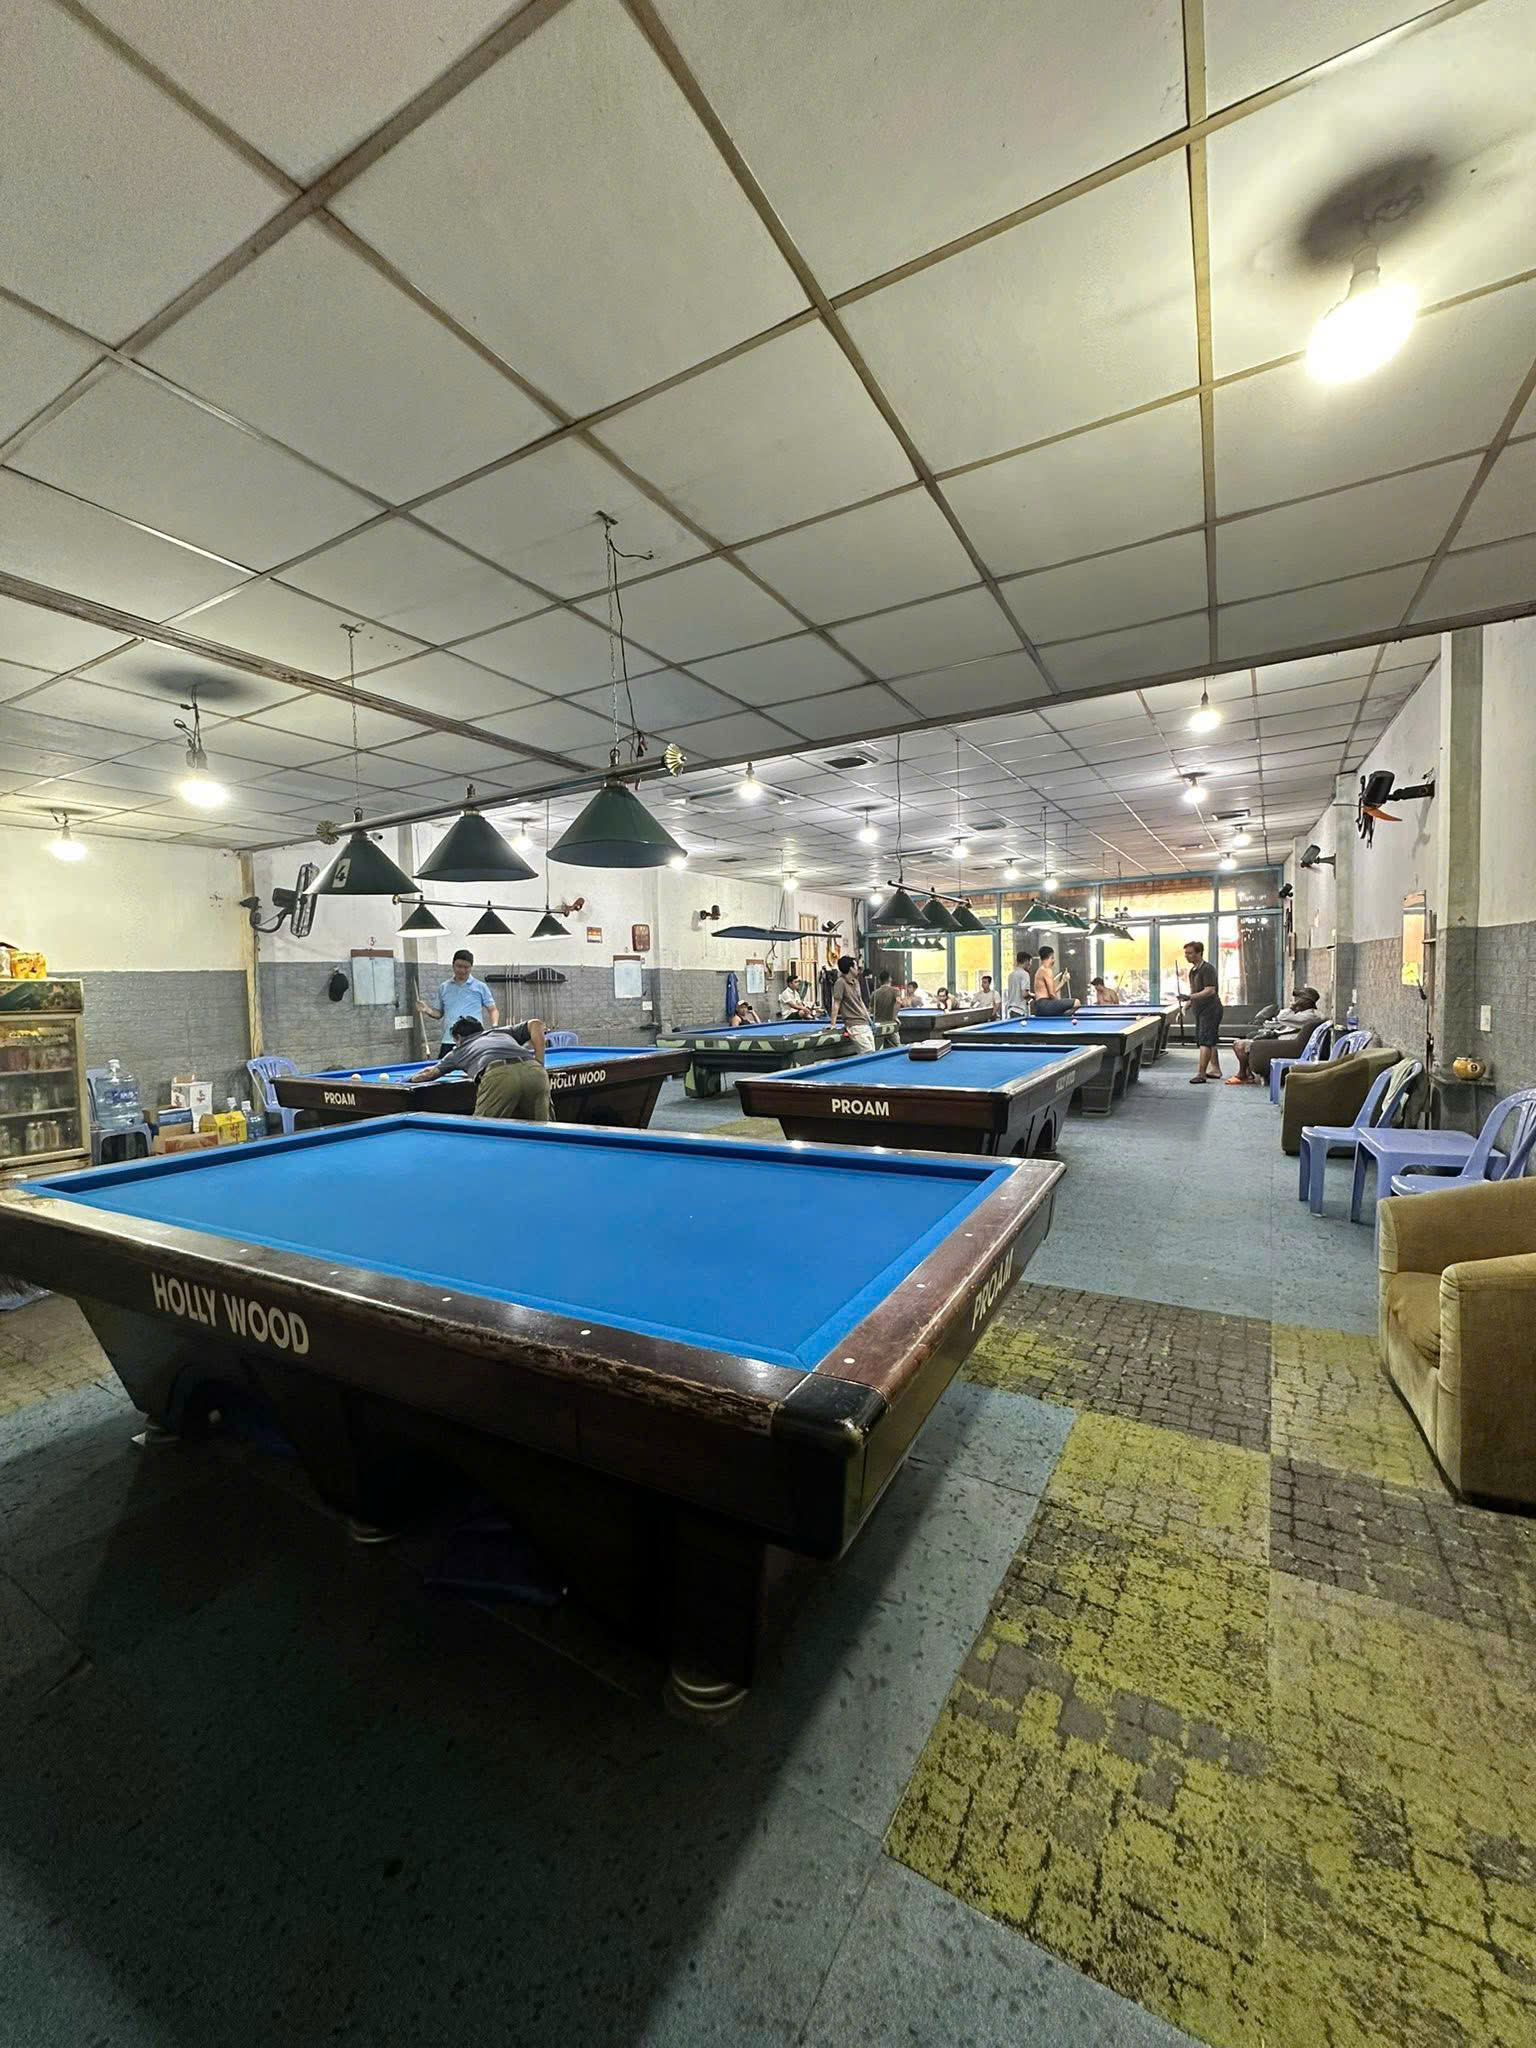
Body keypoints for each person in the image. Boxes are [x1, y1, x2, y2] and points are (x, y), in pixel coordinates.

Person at [416, 1015, 550, 1121]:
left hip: (499, 1075)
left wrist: (411, 1079)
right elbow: (536, 1023)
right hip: (535, 1071)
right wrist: (540, 1063)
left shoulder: (457, 1052)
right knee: (543, 1130)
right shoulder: (500, 1032)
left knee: (482, 1129)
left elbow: (429, 1074)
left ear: (458, 1037)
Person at [1227, 986, 1323, 1085]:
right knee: (1244, 1041)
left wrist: (1293, 1006)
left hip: (1284, 1043)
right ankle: (1248, 1074)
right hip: (1282, 1041)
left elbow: (1282, 1017)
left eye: (1299, 999)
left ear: (1306, 1002)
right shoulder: (1303, 1014)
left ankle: (1242, 1074)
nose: (1295, 1000)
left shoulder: (1308, 1016)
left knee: (1239, 1045)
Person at [418, 949, 497, 1055]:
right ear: (453, 965)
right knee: (443, 1065)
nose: (462, 970)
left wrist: (494, 1027)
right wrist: (427, 1009)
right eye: (459, 966)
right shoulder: (444, 987)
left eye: (466, 967)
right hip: (449, 1039)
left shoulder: (480, 987)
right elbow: (439, 1013)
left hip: (474, 1039)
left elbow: (492, 1010)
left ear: (471, 967)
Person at [1183, 939, 1223, 1082]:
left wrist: (1190, 997)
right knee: (1209, 1040)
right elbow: (1195, 992)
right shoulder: (1193, 971)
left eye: (1190, 953)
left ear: (1199, 953)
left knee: (1205, 1041)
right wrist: (1186, 1005)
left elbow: (1210, 990)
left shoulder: (1208, 969)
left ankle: (1201, 1074)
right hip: (1200, 1010)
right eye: (1186, 953)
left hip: (1211, 1009)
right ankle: (1216, 1070)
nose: (1187, 956)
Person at [828, 953, 877, 1053]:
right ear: (851, 968)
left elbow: (860, 1002)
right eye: (856, 966)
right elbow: (836, 1003)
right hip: (854, 1026)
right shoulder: (840, 982)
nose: (858, 969)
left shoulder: (856, 982)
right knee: (868, 1054)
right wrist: (833, 1024)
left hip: (864, 1024)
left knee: (873, 1054)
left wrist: (869, 1020)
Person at [1032, 945, 1077, 1017]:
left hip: (1040, 1006)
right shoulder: (1047, 970)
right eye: (1053, 957)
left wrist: (1063, 981)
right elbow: (1052, 994)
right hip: (1044, 1005)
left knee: (1064, 1005)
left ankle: (1060, 1016)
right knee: (1077, 1002)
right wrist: (1058, 1003)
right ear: (1052, 956)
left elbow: (1050, 992)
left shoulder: (1040, 970)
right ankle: (1061, 1017)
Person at [871, 970, 900, 1044]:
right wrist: (895, 1017)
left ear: (879, 981)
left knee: (878, 1048)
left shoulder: (874, 993)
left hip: (878, 1026)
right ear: (890, 979)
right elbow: (898, 1002)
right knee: (897, 1047)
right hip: (891, 1025)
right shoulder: (895, 990)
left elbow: (871, 1010)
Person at [1005, 949, 1034, 1016]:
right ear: (1026, 961)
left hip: (1011, 1010)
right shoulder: (1025, 974)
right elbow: (1025, 994)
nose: (1030, 965)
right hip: (1019, 1011)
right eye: (1030, 963)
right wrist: (1033, 996)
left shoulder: (1011, 975)